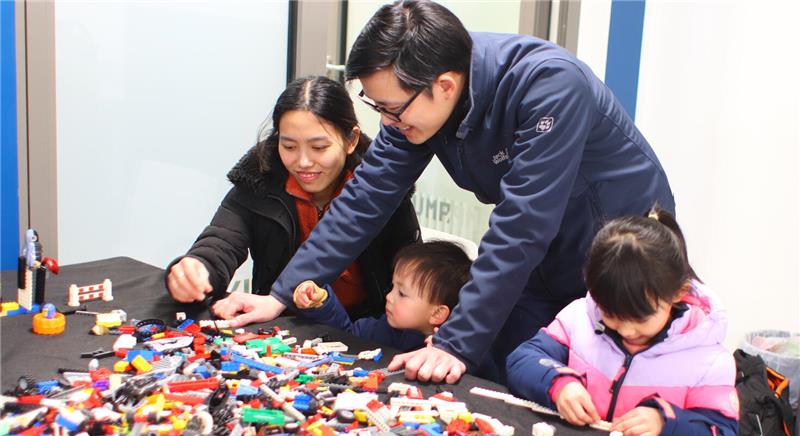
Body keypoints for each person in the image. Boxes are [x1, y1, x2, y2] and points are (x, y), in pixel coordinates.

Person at [212, 0, 674, 385]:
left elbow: (522, 224)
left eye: (392, 109)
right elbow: (366, 195)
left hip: (618, 253)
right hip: (539, 254)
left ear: (445, 86)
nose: (387, 123)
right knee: (521, 373)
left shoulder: (549, 85)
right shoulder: (418, 100)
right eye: (378, 108)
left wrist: (454, 341)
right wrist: (283, 293)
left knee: (613, 381)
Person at [166, 75, 420, 320]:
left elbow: (415, 275)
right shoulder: (257, 183)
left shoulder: (381, 191)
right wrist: (198, 269)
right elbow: (221, 242)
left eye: (319, 147)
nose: (303, 162)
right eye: (289, 146)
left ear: (351, 140)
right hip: (278, 328)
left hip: (366, 332)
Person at [505, 209, 738, 436]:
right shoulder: (579, 319)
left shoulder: (709, 362)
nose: (627, 332)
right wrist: (560, 385)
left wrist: (665, 423)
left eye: (640, 318)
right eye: (611, 314)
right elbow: (522, 359)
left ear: (678, 293)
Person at [293, 240, 471, 351]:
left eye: (401, 293)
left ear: (437, 314)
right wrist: (322, 303)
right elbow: (347, 336)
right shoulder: (382, 329)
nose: (389, 297)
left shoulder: (455, 350)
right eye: (392, 287)